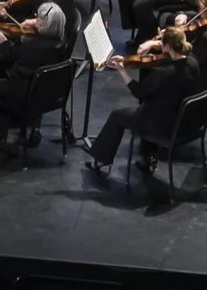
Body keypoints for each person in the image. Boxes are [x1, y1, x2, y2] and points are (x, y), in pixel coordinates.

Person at [84, 23, 197, 177]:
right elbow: (166, 64)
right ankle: (149, 157)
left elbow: (138, 92)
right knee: (148, 106)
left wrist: (122, 70)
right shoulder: (193, 62)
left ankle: (100, 160)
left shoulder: (163, 74)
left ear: (167, 47)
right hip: (183, 119)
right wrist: (126, 60)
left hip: (161, 123)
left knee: (118, 115)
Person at [0, 1, 68, 154]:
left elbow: (9, 52)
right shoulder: (62, 42)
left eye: (39, 19)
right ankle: (21, 121)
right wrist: (36, 22)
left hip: (27, 93)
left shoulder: (32, 46)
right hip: (50, 94)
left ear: (44, 25)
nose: (35, 20)